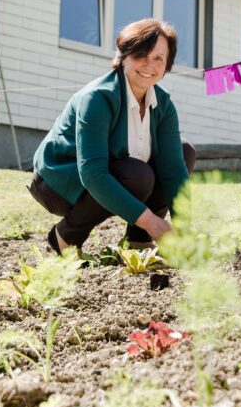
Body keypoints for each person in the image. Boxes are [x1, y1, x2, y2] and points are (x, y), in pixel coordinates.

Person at [28, 19, 195, 253]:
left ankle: (139, 240)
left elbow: (174, 168)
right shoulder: (98, 97)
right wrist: (154, 223)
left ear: (167, 64)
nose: (149, 65)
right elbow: (92, 172)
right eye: (141, 55)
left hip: (114, 175)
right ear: (124, 56)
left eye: (158, 58)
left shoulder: (163, 103)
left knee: (184, 151)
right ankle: (65, 237)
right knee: (137, 175)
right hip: (59, 183)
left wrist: (184, 228)